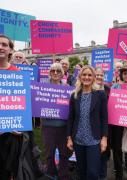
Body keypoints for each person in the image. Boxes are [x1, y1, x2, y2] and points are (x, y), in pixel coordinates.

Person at [0, 34, 43, 180]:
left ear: (10, 50)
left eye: (5, 45)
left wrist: (21, 127)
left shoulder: (18, 74)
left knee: (9, 172)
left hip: (11, 135)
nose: (1, 47)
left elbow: (22, 104)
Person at [67, 65, 108, 180]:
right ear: (80, 77)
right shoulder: (74, 95)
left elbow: (104, 118)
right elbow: (71, 118)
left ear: (94, 77)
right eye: (84, 75)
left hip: (94, 140)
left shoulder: (100, 94)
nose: (87, 77)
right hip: (78, 139)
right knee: (81, 171)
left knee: (93, 172)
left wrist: (104, 138)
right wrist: (69, 137)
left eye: (89, 75)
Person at [41, 63, 70, 180]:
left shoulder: (67, 86)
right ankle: (50, 173)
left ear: (62, 73)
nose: (55, 73)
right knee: (49, 153)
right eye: (53, 71)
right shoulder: (43, 85)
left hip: (63, 126)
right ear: (49, 72)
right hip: (48, 125)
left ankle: (63, 175)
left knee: (64, 153)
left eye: (58, 71)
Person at [111, 64, 127, 180]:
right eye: (125, 73)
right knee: (117, 149)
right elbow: (112, 105)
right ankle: (119, 174)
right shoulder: (115, 87)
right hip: (117, 123)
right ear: (121, 75)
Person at [95, 67, 110, 180]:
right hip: (92, 126)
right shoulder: (88, 88)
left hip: (105, 125)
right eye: (97, 75)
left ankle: (102, 175)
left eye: (101, 75)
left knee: (103, 152)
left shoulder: (108, 89)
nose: (99, 77)